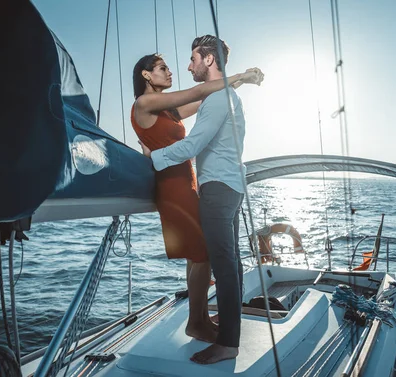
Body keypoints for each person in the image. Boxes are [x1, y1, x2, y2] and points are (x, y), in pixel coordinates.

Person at [139, 35, 263, 365]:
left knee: (223, 264)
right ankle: (228, 329)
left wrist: (154, 158)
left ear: (208, 60)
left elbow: (193, 145)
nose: (189, 65)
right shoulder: (226, 95)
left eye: (194, 58)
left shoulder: (219, 97)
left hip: (218, 188)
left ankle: (228, 344)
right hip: (231, 185)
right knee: (231, 263)